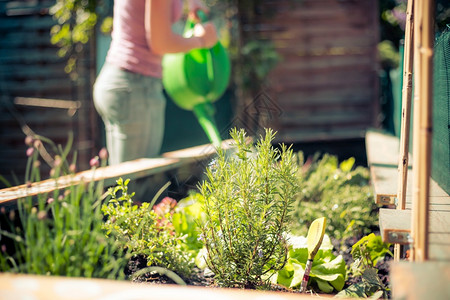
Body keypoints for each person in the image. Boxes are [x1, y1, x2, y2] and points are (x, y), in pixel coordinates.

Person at [93, 0, 218, 166]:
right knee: (135, 184)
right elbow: (160, 43)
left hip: (119, 81)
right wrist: (201, 41)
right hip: (135, 87)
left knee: (122, 181)